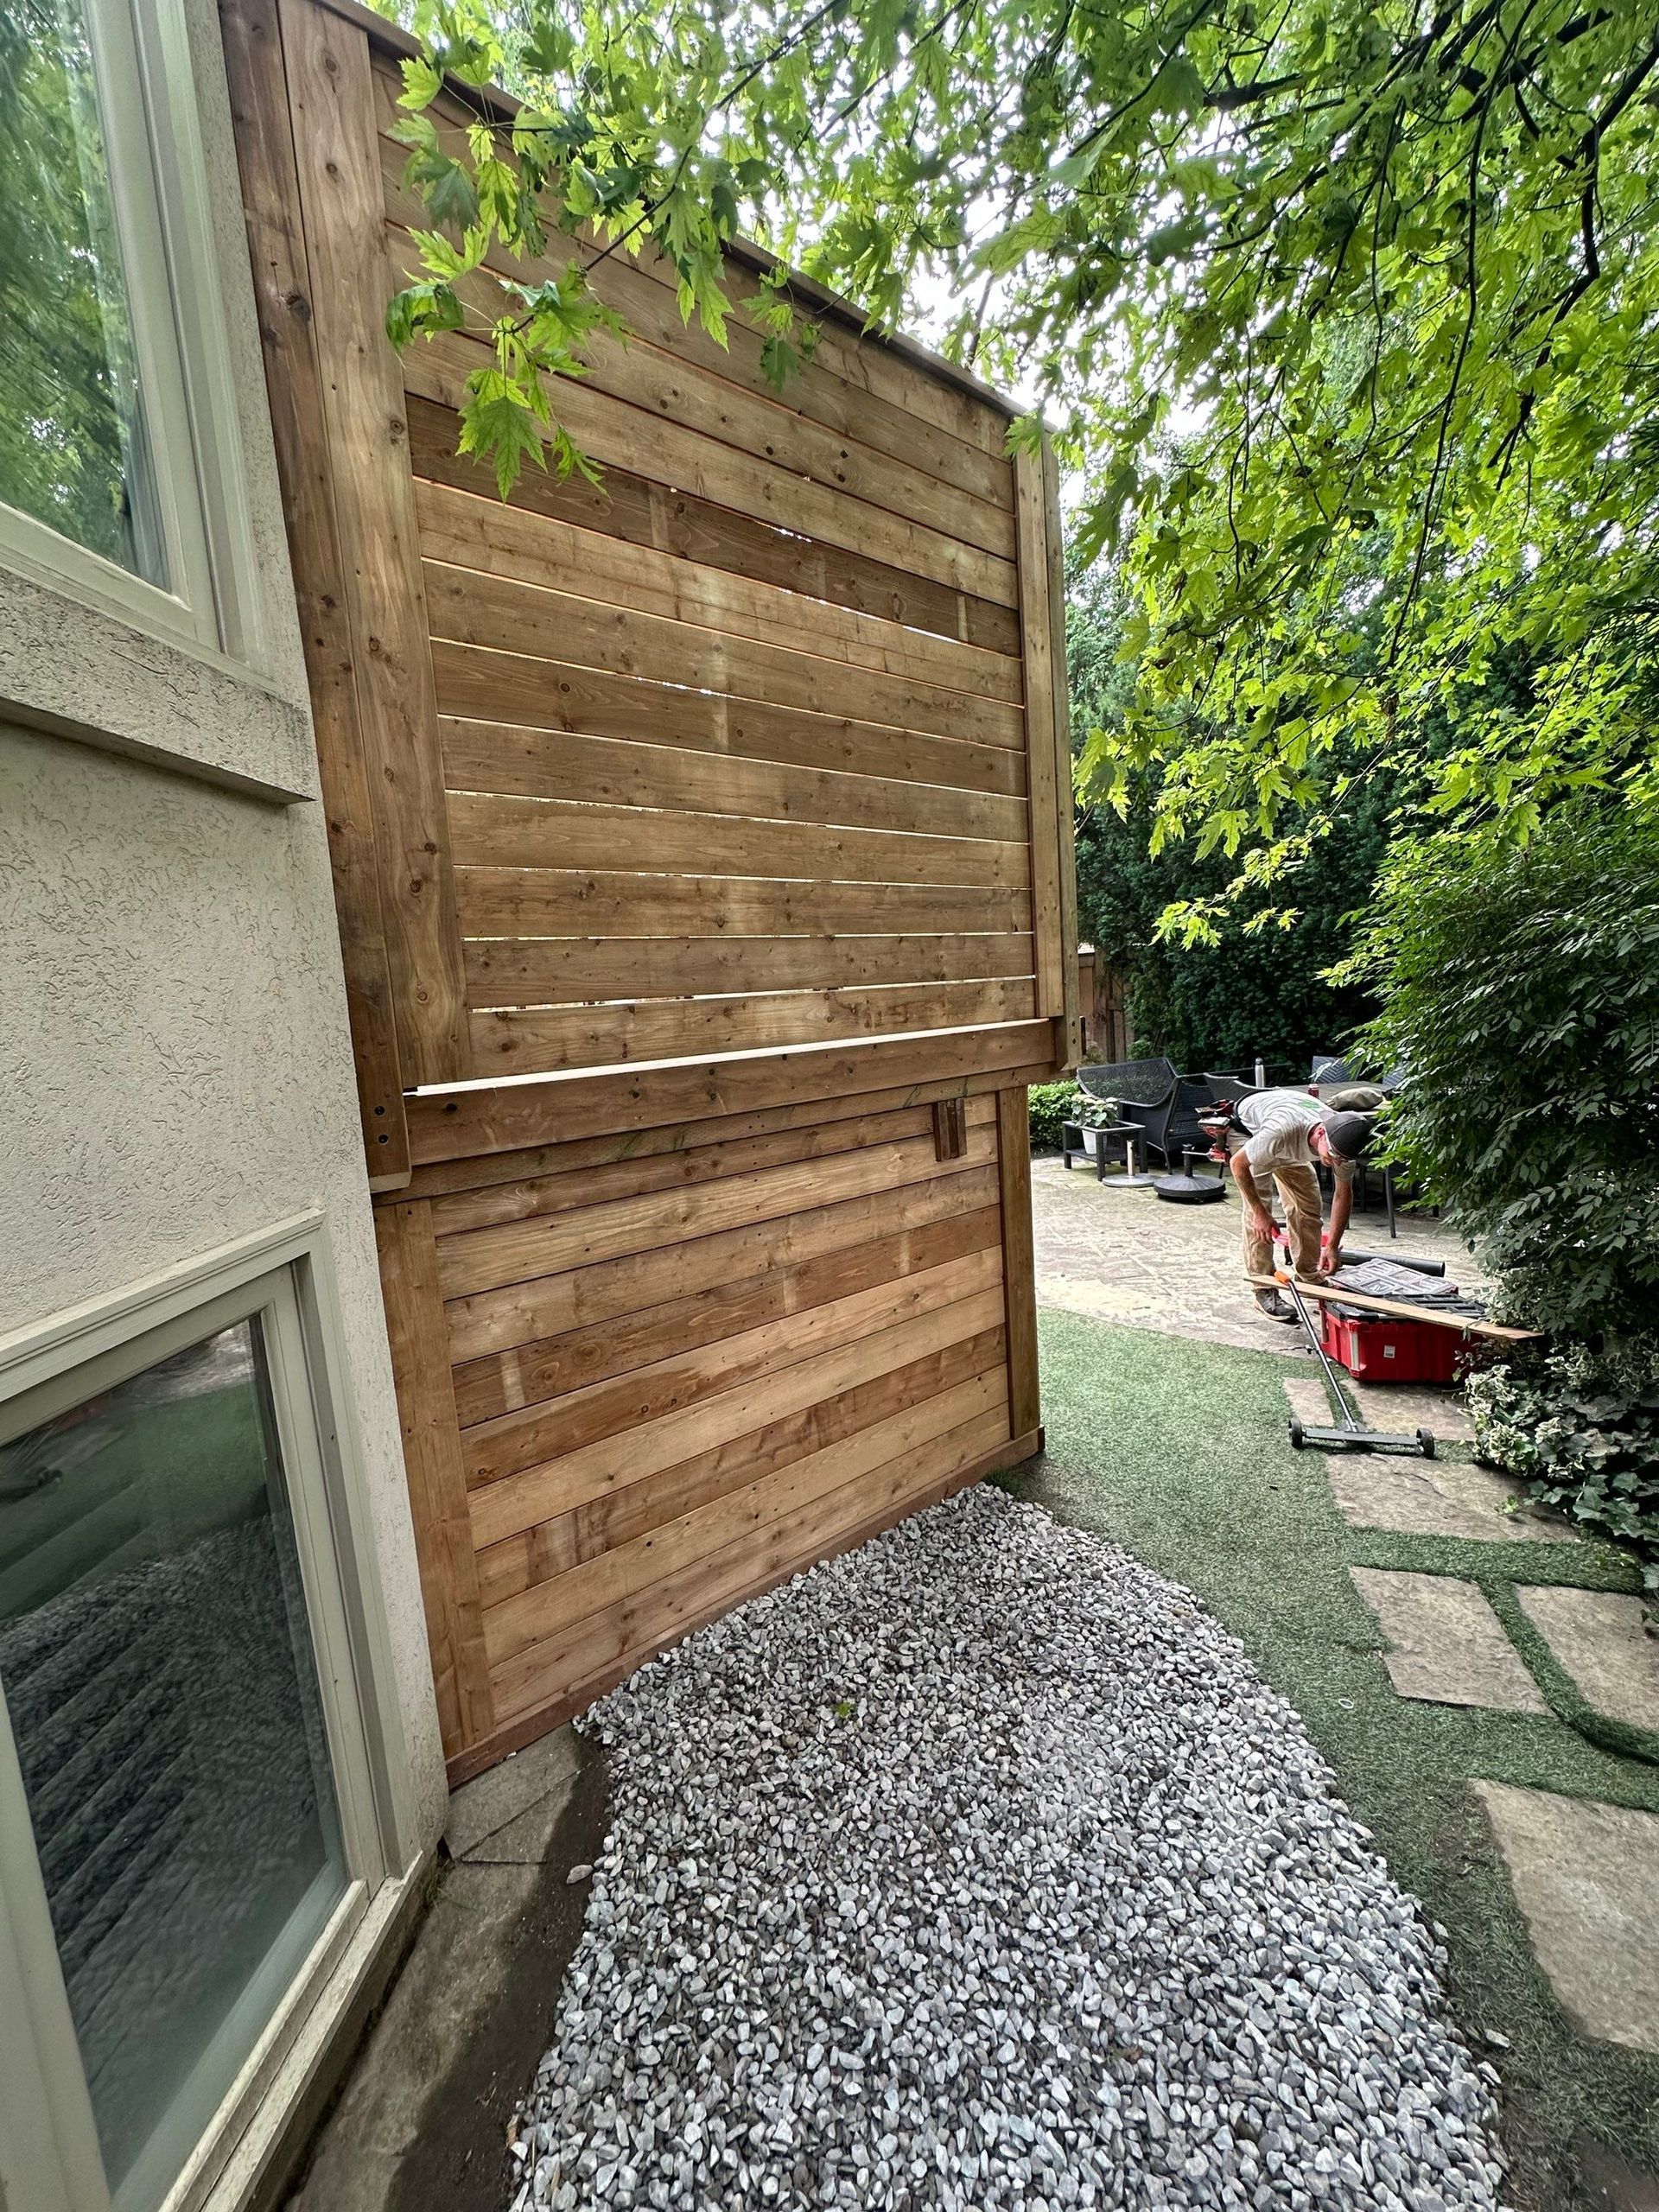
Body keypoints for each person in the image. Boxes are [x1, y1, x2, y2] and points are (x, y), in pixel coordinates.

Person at [1227, 1091, 1376, 1322]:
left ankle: (1308, 1275)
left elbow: (1342, 1195)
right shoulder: (1280, 1131)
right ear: (1320, 1132)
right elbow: (1237, 1164)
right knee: (1258, 1215)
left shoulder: (1342, 1143)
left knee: (1308, 1205)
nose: (1335, 1163)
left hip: (1290, 1141)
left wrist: (1333, 1246)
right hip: (1250, 1132)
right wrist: (1259, 1213)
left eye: (1341, 1159)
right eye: (1333, 1156)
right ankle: (1263, 1288)